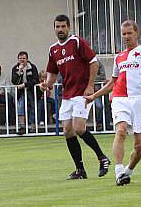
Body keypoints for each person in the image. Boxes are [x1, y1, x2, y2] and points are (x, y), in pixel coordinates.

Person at [86, 20, 141, 186]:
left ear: (137, 33)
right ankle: (119, 171)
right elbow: (113, 82)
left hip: (140, 100)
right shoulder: (119, 57)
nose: (126, 36)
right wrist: (94, 96)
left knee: (139, 145)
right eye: (124, 34)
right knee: (120, 131)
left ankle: (128, 172)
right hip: (120, 98)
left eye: (129, 33)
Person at [42, 14, 110, 179]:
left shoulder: (77, 42)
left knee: (79, 128)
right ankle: (80, 170)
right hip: (67, 94)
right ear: (54, 28)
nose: (60, 29)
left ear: (69, 27)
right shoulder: (53, 49)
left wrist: (90, 86)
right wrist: (47, 84)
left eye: (63, 26)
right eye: (57, 27)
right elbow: (52, 73)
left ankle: (102, 158)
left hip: (81, 93)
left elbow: (93, 62)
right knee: (68, 131)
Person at [10, 51, 40, 134]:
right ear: (18, 59)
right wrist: (19, 71)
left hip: (31, 90)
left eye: (24, 58)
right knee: (20, 106)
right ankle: (22, 127)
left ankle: (32, 126)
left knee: (33, 106)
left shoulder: (32, 67)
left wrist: (25, 84)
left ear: (27, 59)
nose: (22, 60)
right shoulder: (15, 68)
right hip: (20, 92)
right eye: (20, 58)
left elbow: (35, 80)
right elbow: (14, 81)